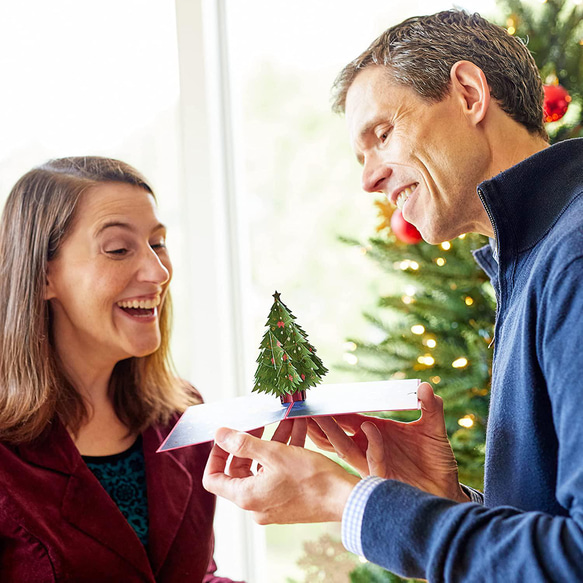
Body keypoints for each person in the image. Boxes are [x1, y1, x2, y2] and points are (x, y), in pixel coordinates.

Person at [203, 9, 583, 581]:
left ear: (469, 93)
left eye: (382, 135)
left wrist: (343, 498)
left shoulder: (572, 257)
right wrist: (444, 503)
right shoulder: (533, 258)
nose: (369, 179)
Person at [0, 156, 243, 582]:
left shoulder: (184, 416)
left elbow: (196, 574)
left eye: (158, 242)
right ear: (42, 276)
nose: (158, 271)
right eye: (118, 249)